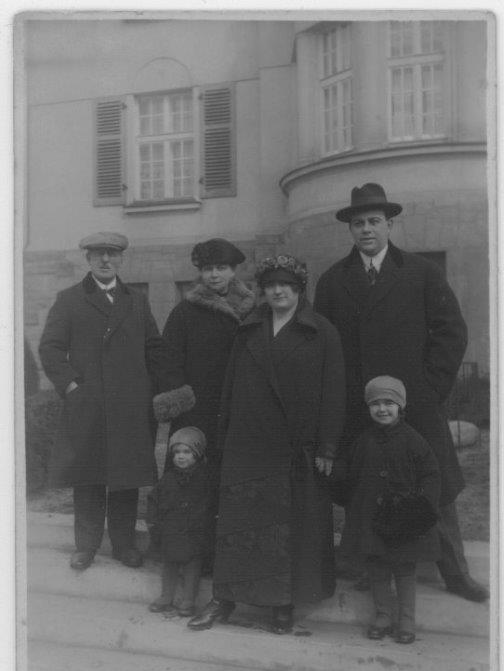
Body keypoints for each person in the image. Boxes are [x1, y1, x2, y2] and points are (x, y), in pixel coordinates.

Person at [314, 183, 488, 602]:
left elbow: (451, 333)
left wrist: (428, 390)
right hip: (359, 408)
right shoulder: (333, 281)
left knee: (437, 485)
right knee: (364, 485)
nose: (367, 230)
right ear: (350, 230)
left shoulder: (421, 273)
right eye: (359, 223)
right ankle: (364, 564)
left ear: (390, 224)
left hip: (416, 406)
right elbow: (323, 346)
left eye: (375, 221)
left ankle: (455, 572)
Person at [188, 253, 346, 634]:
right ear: (263, 290)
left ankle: (281, 605)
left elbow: (334, 392)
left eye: (286, 285)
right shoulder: (249, 328)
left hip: (296, 448)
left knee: (287, 531)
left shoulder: (321, 331)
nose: (278, 291)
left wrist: (327, 447)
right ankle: (223, 600)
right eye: (271, 285)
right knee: (238, 527)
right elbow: (229, 387)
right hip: (247, 444)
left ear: (299, 289)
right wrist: (225, 438)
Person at [39, 231, 167, 571]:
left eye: (111, 254)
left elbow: (154, 347)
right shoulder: (69, 299)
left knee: (125, 477)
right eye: (98, 254)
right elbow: (50, 348)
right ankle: (86, 546)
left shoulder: (137, 300)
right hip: (88, 403)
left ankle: (124, 545)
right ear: (88, 259)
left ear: (121, 259)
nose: (105, 260)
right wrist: (70, 387)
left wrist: (152, 389)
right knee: (89, 477)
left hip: (129, 406)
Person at [153, 239, 255, 562]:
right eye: (208, 269)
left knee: (234, 483)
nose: (214, 275)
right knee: (193, 484)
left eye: (221, 268)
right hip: (197, 413)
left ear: (234, 271)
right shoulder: (185, 311)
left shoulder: (252, 309)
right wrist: (183, 399)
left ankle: (229, 556)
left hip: (239, 411)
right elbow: (168, 360)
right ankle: (188, 555)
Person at [344, 376, 441, 644]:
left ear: (401, 406)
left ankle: (406, 621)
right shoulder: (363, 441)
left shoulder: (414, 440)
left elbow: (431, 474)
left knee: (404, 570)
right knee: (377, 568)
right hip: (373, 520)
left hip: (403, 520)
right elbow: (352, 475)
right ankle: (383, 616)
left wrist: (421, 503)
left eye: (389, 402)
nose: (382, 409)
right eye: (375, 404)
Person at [147, 427, 210, 618]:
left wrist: (199, 524)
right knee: (170, 563)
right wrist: (154, 523)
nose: (181, 457)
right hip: (171, 531)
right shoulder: (168, 478)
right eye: (177, 453)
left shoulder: (204, 479)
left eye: (187, 452)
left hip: (193, 531)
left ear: (197, 454)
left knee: (192, 565)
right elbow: (154, 500)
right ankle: (166, 596)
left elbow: (208, 504)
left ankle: (188, 600)